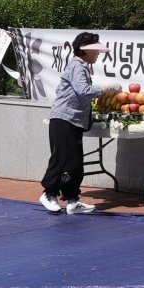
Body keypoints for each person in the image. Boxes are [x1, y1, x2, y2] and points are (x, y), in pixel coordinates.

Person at [39, 32, 119, 215]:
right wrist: (107, 87)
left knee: (74, 164)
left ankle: (73, 200)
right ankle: (48, 193)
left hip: (73, 121)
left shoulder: (82, 66)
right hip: (63, 119)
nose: (98, 53)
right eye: (95, 50)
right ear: (85, 51)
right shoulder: (77, 66)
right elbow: (83, 91)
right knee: (61, 160)